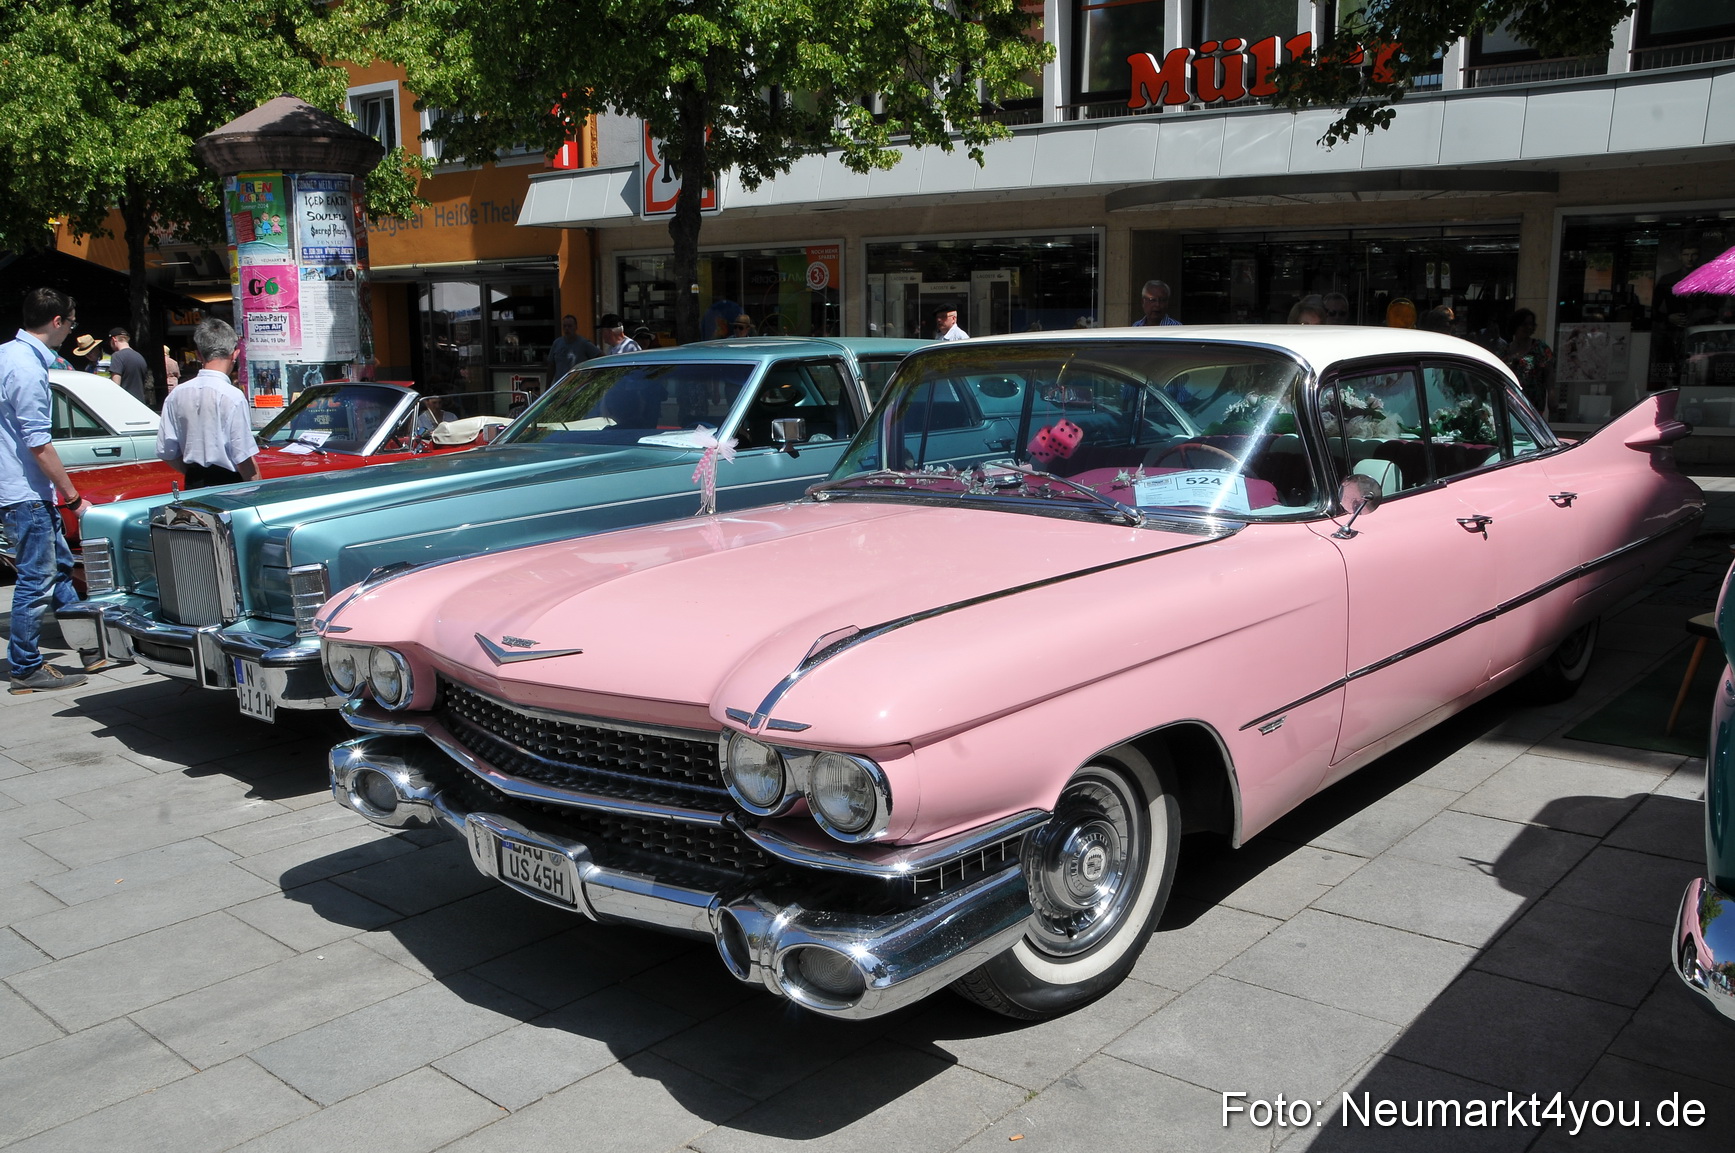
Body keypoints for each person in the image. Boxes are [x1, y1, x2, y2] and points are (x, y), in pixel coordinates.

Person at [0, 288, 98, 692]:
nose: (71, 331)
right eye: (71, 323)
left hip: (17, 489)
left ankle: (91, 647)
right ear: (57, 322)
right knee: (36, 580)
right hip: (25, 492)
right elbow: (38, 443)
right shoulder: (25, 366)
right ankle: (25, 667)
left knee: (58, 568)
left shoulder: (7, 354)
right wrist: (72, 496)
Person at [156, 318, 260, 489]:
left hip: (193, 482)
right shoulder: (233, 396)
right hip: (230, 485)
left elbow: (165, 451)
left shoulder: (177, 394)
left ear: (198, 355)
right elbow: (243, 457)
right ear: (235, 354)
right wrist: (258, 490)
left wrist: (194, 474)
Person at [1502, 308, 1555, 416]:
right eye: (1524, 324)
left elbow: (1549, 373)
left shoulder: (1540, 348)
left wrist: (1552, 395)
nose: (1529, 327)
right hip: (1511, 402)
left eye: (1531, 324)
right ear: (1515, 326)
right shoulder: (1505, 351)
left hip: (1533, 404)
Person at [547, 314, 601, 381]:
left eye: (569, 326)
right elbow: (551, 366)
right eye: (564, 326)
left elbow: (601, 357)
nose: (567, 329)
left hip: (577, 385)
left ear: (575, 327)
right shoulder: (557, 343)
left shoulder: (584, 344)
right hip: (560, 385)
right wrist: (547, 387)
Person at [108, 327, 150, 405]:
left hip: (125, 404)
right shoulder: (139, 357)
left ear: (114, 340)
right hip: (140, 404)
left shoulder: (117, 356)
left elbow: (115, 385)